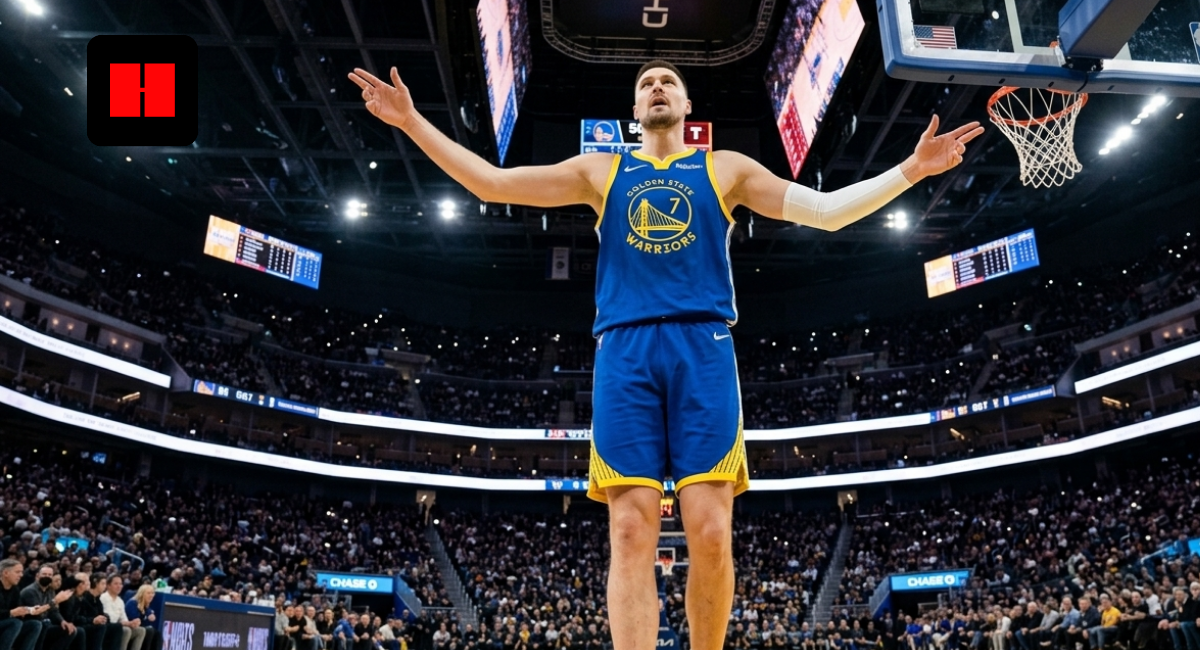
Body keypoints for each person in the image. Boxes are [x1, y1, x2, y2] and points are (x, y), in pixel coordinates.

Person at [348, 59, 982, 650]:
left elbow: (825, 211)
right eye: (647, 81)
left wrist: (911, 170)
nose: (657, 86)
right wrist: (410, 121)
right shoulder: (602, 171)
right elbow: (490, 180)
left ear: (686, 106)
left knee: (709, 531)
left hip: (702, 348)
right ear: (634, 107)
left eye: (668, 82)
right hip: (624, 351)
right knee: (629, 531)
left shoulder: (725, 168)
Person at [0, 559, 45, 650]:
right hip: (6, 622)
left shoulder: (15, 589)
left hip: (8, 623)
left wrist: (29, 610)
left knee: (35, 624)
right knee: (15, 623)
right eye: (17, 572)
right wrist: (10, 613)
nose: (21, 575)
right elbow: (12, 612)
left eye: (21, 572)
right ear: (5, 573)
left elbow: (18, 609)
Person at [100, 577, 145, 650]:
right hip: (108, 627)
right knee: (126, 630)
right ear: (108, 586)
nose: (119, 586)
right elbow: (110, 619)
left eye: (120, 584)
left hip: (119, 626)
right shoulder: (103, 598)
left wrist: (133, 623)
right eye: (116, 584)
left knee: (141, 630)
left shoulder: (120, 601)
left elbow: (124, 618)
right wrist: (126, 623)